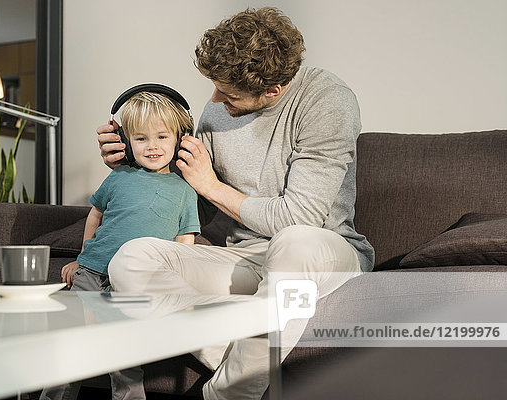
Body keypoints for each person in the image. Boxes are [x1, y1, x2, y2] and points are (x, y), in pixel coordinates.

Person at [97, 7, 375, 400]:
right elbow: (192, 203)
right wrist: (132, 165)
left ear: (273, 91)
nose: (213, 100)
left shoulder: (327, 100)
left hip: (320, 254)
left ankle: (227, 394)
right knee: (130, 259)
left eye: (226, 94)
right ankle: (246, 364)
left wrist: (211, 186)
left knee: (294, 241)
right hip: (245, 257)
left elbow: (300, 217)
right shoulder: (217, 107)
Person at [41, 90, 200, 400]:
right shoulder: (118, 177)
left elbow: (185, 243)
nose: (152, 146)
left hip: (134, 283)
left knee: (123, 354)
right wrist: (81, 258)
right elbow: (95, 215)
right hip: (91, 272)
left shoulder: (184, 191)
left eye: (162, 137)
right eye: (141, 139)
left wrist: (182, 288)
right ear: (126, 143)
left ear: (180, 139)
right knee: (72, 346)